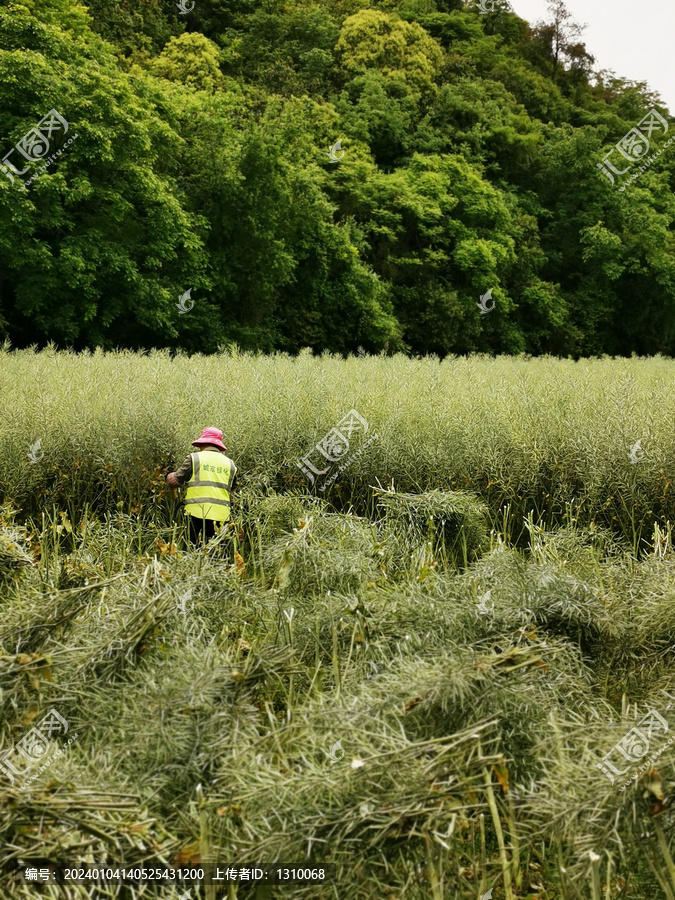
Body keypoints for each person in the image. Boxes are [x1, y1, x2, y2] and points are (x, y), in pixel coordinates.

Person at [166, 427, 237, 547]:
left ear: (202, 443)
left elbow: (175, 481)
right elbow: (232, 494)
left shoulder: (194, 458)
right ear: (219, 446)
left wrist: (169, 476)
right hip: (221, 517)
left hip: (196, 514)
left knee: (192, 550)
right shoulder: (231, 464)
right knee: (216, 553)